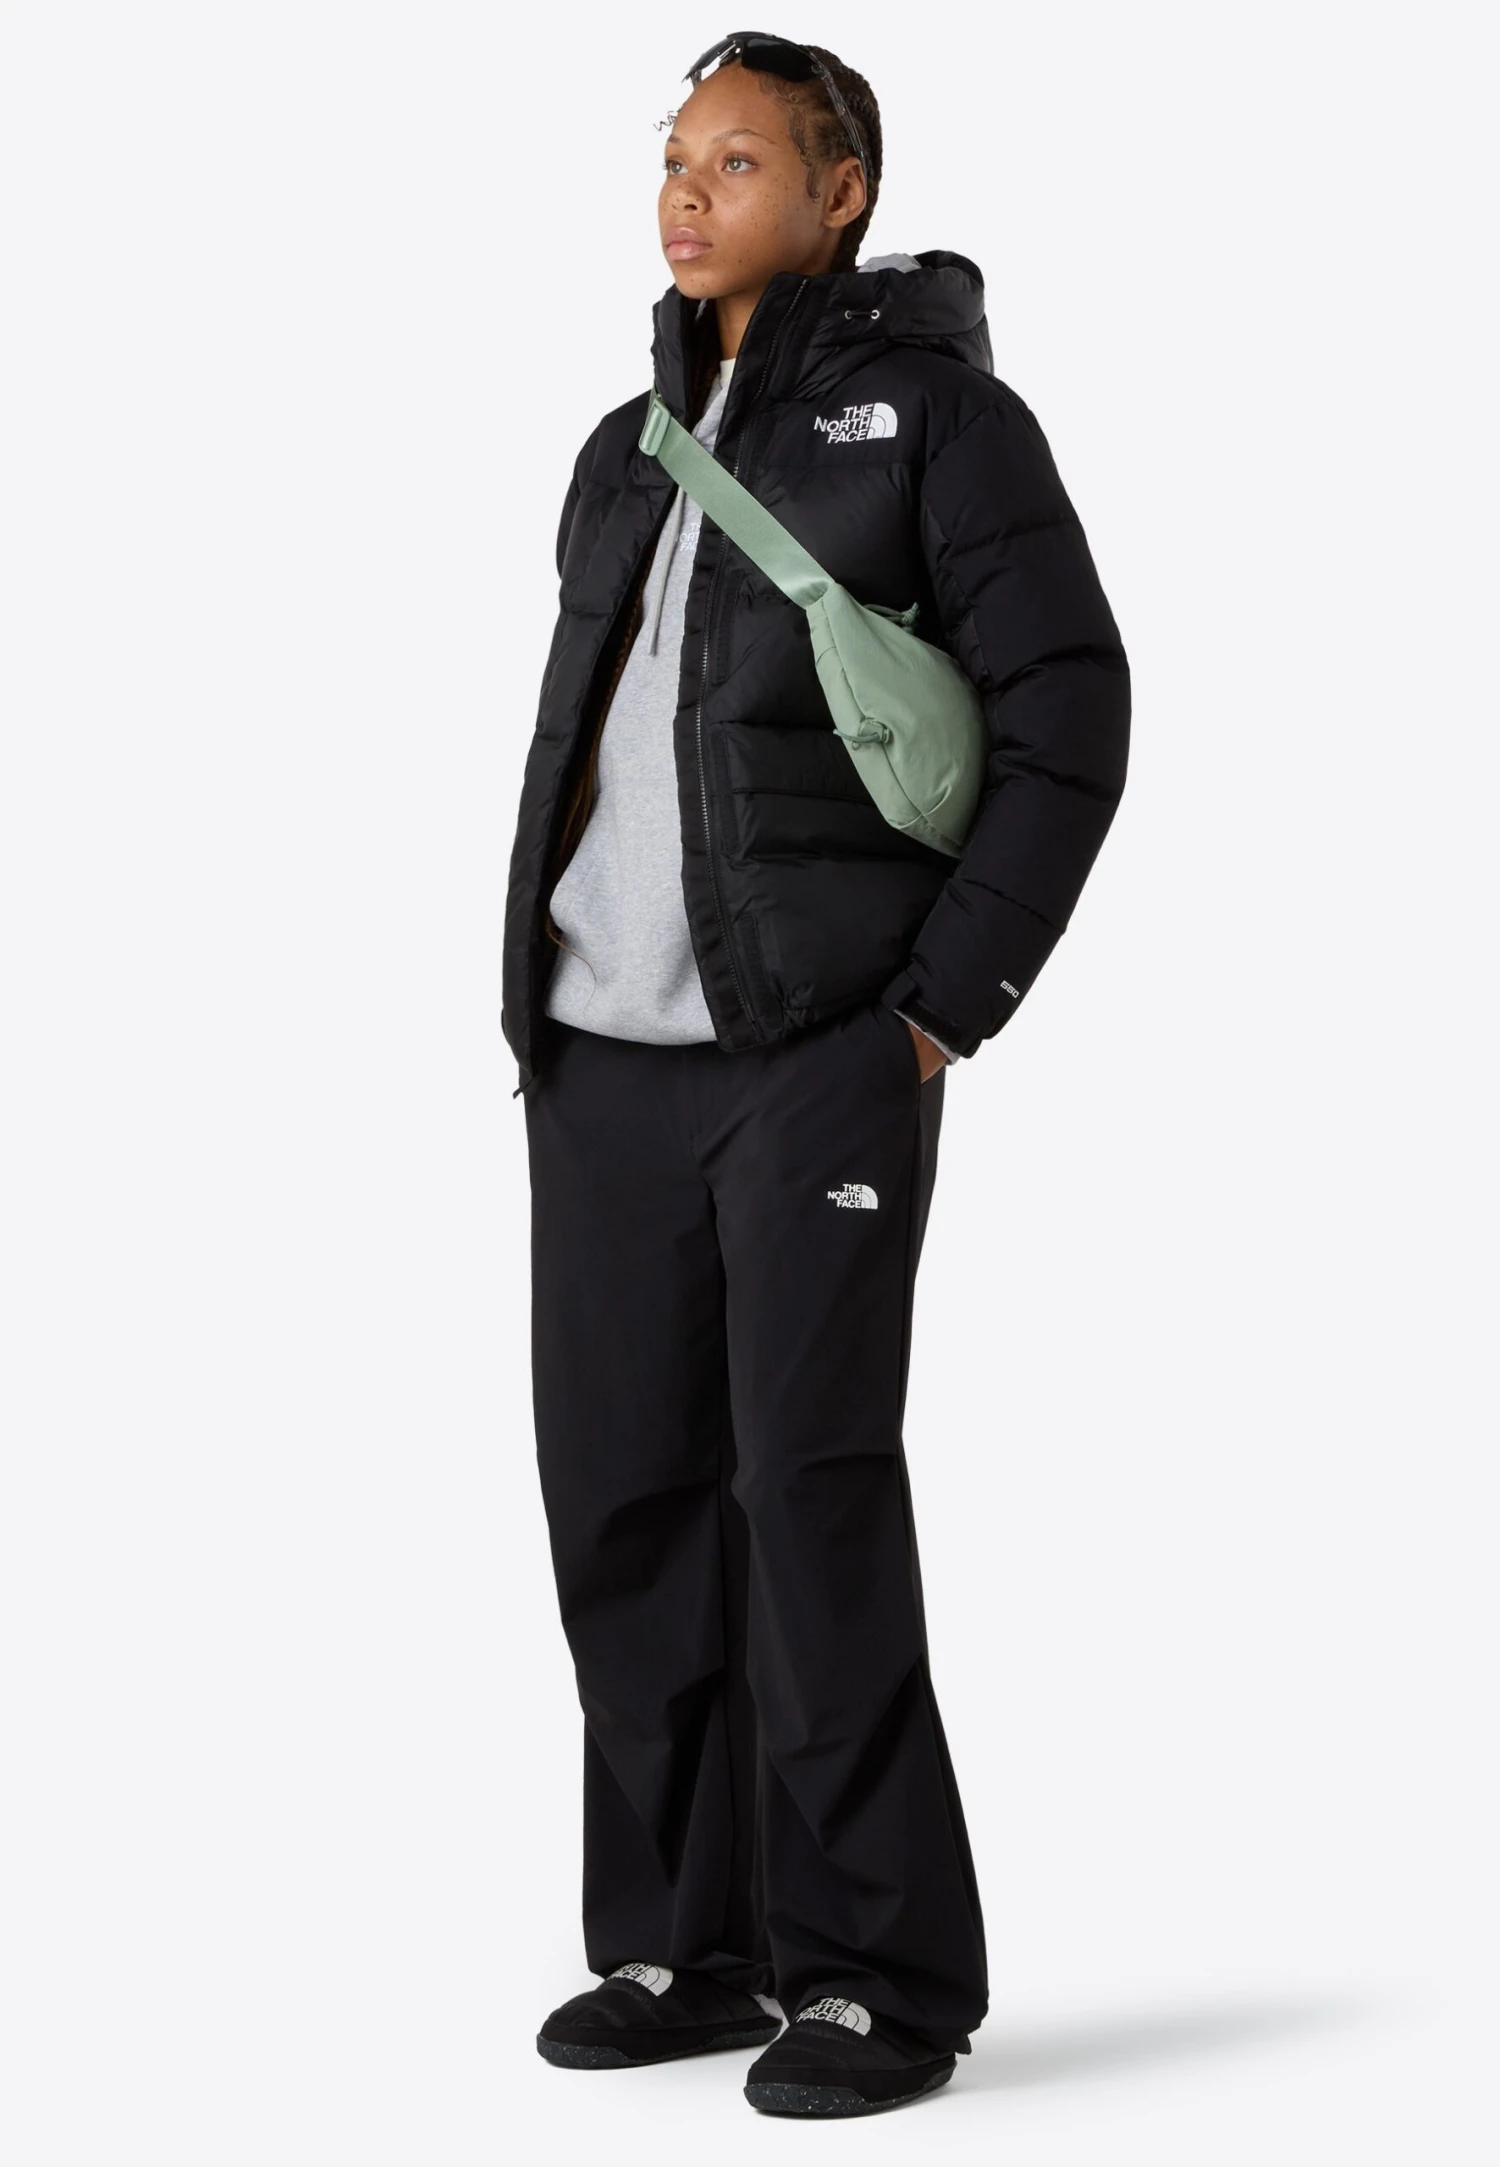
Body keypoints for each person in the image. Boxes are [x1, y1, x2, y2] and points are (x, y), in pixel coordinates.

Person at [500, 31, 1130, 2120]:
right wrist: (535, 996)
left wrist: (942, 1005)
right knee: (624, 1499)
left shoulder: (941, 422)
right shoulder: (624, 444)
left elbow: (1071, 707)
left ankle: (878, 1977)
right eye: (674, 158)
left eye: (740, 160)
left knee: (811, 1492)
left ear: (840, 191)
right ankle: (692, 1942)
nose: (687, 194)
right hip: (603, 1057)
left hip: (818, 1052)